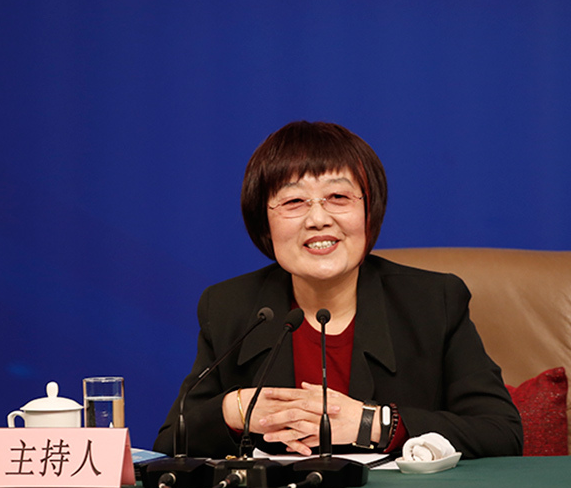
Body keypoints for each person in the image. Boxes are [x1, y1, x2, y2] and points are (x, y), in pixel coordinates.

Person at [153, 121, 522, 459]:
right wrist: (235, 410)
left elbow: (502, 432)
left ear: (369, 212)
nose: (318, 219)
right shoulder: (229, 307)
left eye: (338, 198)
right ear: (264, 222)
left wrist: (370, 423)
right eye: (294, 202)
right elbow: (170, 444)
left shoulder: (433, 301)